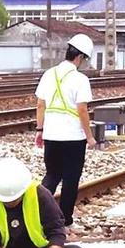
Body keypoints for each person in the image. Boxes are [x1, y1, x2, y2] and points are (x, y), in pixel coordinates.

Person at [35, 33, 97, 227]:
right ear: (80, 57)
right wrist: (90, 137)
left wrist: (40, 130)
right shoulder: (80, 80)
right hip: (73, 137)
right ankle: (65, 219)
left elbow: (40, 105)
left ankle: (36, 211)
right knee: (71, 178)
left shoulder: (48, 74)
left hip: (52, 134)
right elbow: (82, 109)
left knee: (52, 175)